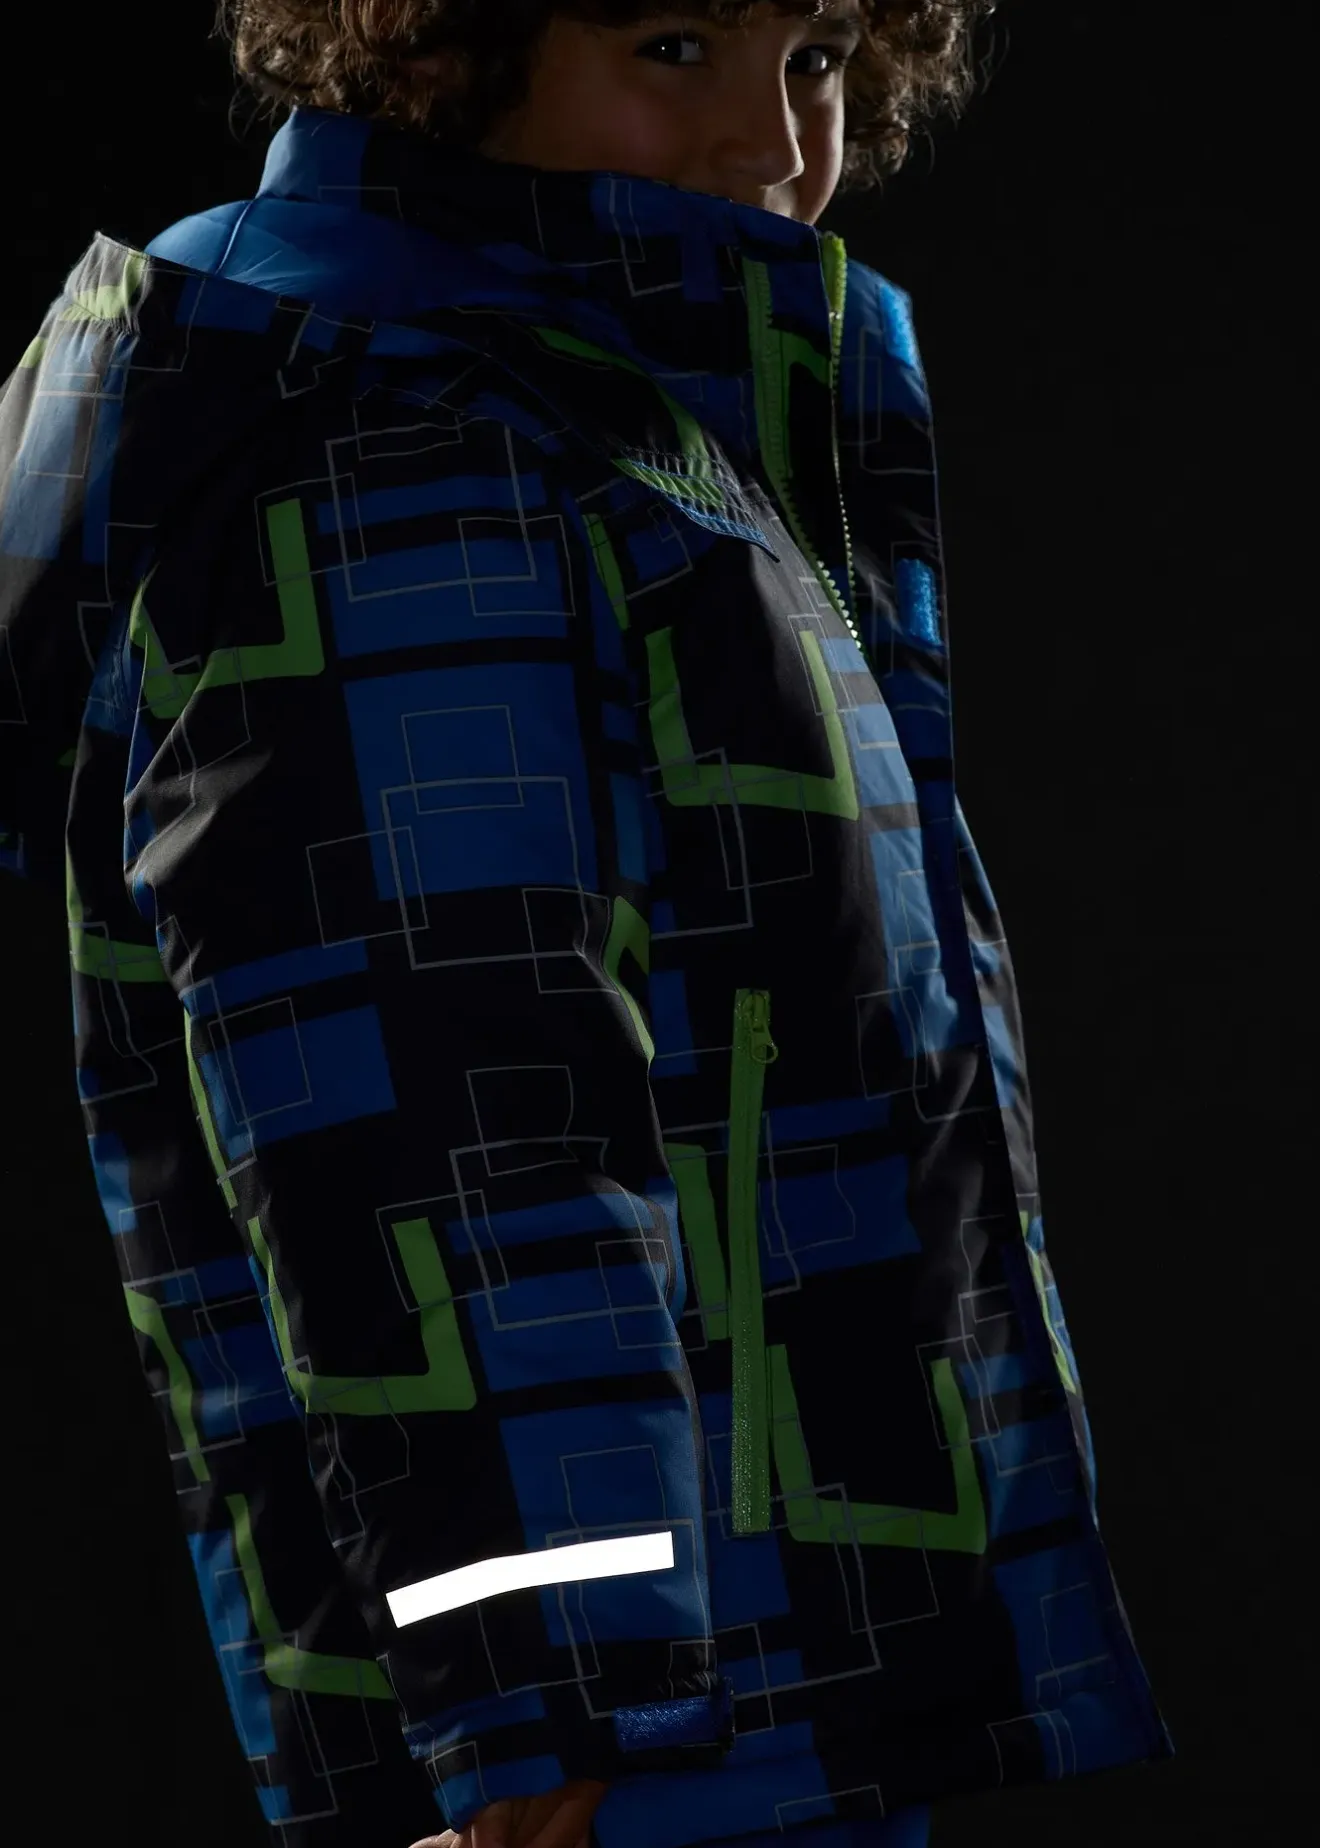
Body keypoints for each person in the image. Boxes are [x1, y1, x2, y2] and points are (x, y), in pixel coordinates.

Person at [0, 4, 1174, 1847]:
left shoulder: (603, 397)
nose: (774, 146)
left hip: (738, 1653)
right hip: (632, 1719)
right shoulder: (397, 422)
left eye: (818, 54)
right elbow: (434, 1091)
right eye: (678, 44)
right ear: (441, 42)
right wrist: (539, 1684)